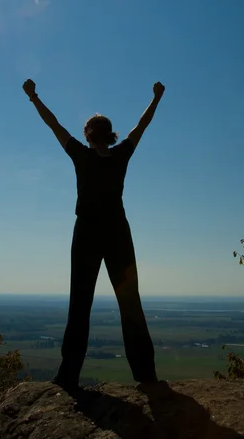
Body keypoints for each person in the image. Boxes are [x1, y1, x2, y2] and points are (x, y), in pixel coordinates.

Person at [22, 78, 165, 390]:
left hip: (87, 233)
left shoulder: (81, 155)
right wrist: (156, 98)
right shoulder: (121, 154)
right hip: (117, 233)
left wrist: (34, 97)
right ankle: (146, 375)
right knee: (130, 302)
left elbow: (53, 124)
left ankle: (68, 375)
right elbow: (142, 125)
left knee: (80, 302)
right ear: (110, 135)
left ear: (87, 135)